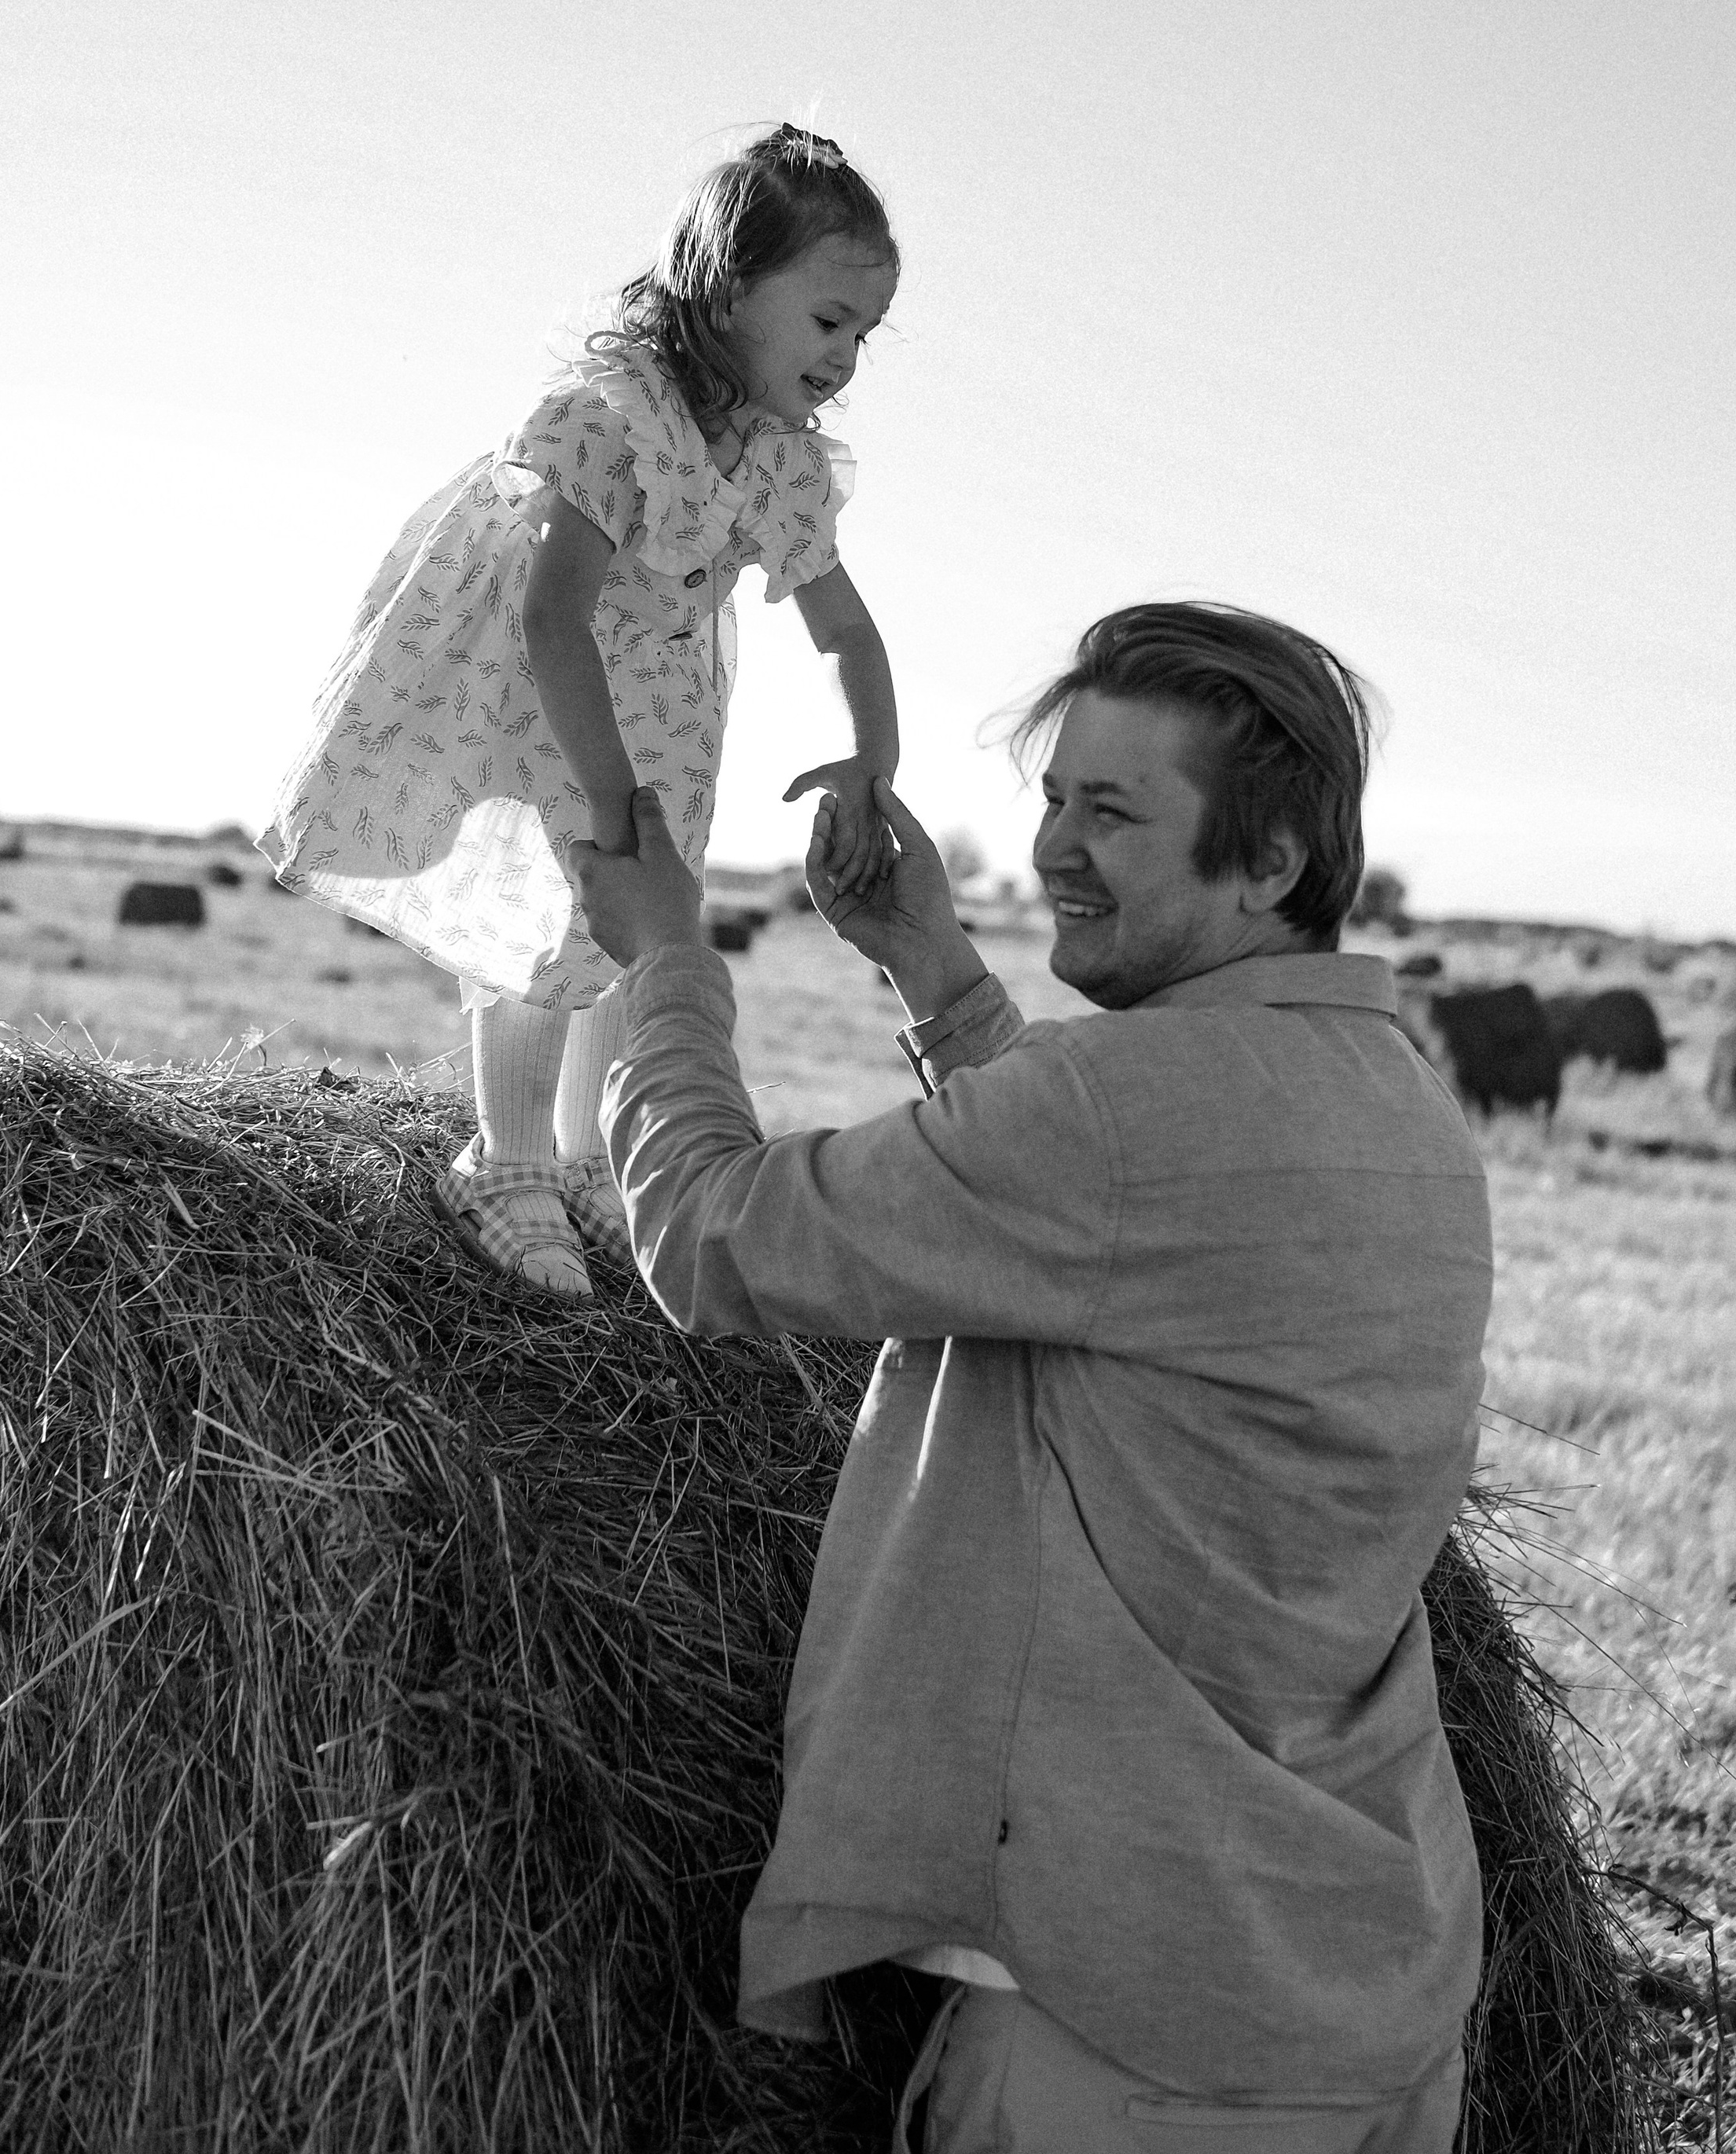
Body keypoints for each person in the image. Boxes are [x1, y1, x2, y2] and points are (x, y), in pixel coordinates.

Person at [572, 602, 1493, 2152]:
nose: (1053, 845)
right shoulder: (1395, 1102)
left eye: (1113, 812)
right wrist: (931, 965)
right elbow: (1105, 1219)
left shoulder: (1120, 1111)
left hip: (1125, 2038)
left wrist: (665, 960)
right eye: (1053, 797)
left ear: (1267, 864)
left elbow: (711, 1237)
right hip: (1364, 1988)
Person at [260, 124, 901, 1301]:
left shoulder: (779, 462)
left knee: (636, 923)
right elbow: (554, 614)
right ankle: (503, 1159)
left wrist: (871, 754)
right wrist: (603, 790)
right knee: (551, 916)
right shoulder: (613, 420)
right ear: (726, 286)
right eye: (827, 321)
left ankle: (596, 1160)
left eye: (865, 332)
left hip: (673, 719)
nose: (847, 355)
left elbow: (845, 628)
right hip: (558, 698)